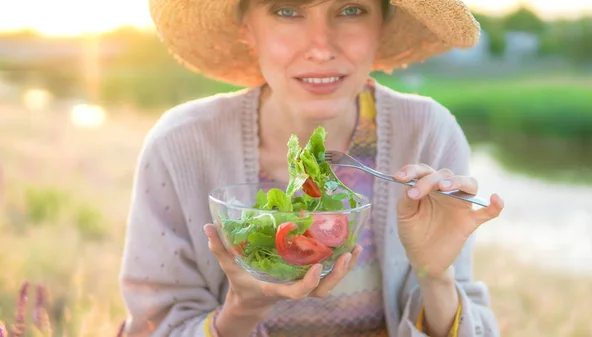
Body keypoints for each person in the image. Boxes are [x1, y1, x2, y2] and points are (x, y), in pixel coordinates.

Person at [118, 0, 505, 336]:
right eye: (287, 10)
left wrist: (435, 277)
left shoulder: (427, 134)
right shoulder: (180, 145)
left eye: (351, 10)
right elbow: (151, 326)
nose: (321, 47)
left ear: (380, 27)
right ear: (247, 30)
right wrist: (241, 309)